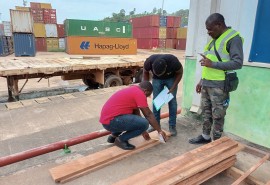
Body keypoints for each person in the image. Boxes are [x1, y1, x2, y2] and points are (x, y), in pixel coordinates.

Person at [189, 13, 243, 144]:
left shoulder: (233, 38)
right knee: (206, 112)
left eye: (210, 29)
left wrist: (212, 64)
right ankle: (205, 137)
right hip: (207, 83)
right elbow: (209, 62)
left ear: (219, 25)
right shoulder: (215, 39)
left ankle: (216, 143)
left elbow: (237, 63)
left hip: (220, 85)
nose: (208, 32)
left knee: (218, 115)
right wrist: (202, 80)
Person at [100, 81, 168, 150]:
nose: (146, 97)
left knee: (134, 121)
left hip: (108, 121)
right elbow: (148, 115)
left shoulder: (133, 89)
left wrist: (143, 131)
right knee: (145, 123)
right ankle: (121, 140)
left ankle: (113, 136)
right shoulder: (140, 93)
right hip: (112, 122)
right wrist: (159, 131)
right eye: (147, 95)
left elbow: (136, 113)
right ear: (145, 91)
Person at [143, 54, 183, 136]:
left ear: (166, 68)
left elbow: (180, 73)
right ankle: (155, 125)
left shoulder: (173, 62)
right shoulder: (149, 61)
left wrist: (173, 87)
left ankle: (172, 126)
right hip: (156, 80)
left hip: (171, 79)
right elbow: (145, 71)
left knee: (172, 102)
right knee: (156, 102)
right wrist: (146, 86)